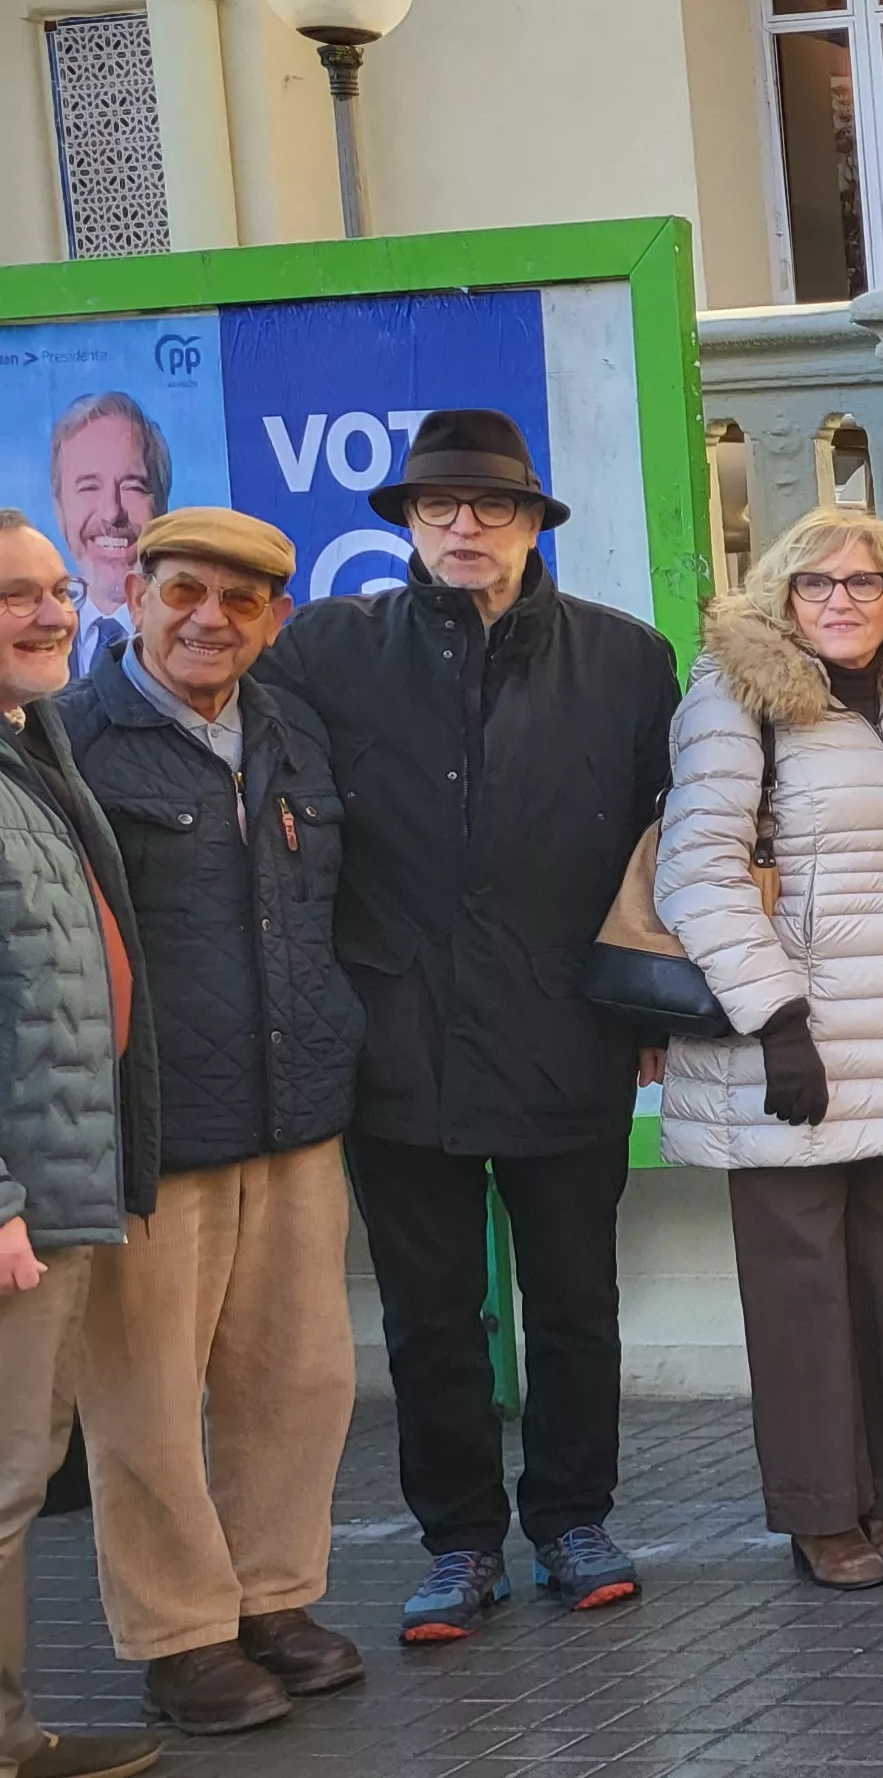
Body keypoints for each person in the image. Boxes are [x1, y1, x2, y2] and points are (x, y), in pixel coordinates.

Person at [258, 410, 677, 1644]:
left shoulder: (625, 658)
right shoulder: (329, 650)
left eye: (490, 507)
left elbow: (669, 845)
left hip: (567, 1026)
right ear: (406, 525)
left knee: (573, 1297)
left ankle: (572, 1521)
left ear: (532, 523)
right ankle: (456, 1543)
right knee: (431, 1312)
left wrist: (653, 996)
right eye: (439, 507)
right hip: (399, 1037)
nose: (464, 528)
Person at [50, 509, 361, 1732]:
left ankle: (273, 1601)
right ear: (133, 590)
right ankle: (182, 1635)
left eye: (241, 604)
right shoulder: (71, 740)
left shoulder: (291, 730)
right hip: (155, 1129)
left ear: (274, 618)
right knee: (145, 1398)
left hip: (295, 1116)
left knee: (297, 1380)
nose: (208, 621)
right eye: (184, 592)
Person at [655, 508, 883, 1590]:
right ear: (780, 598)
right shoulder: (737, 696)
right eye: (816, 583)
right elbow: (698, 869)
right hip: (785, 1053)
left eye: (865, 583)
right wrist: (777, 1021)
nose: (841, 600)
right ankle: (820, 1514)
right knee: (801, 1299)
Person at [0, 509, 167, 1778]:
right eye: (16, 594)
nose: (51, 611)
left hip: (62, 1184)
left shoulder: (32, 744)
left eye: (58, 588)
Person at [47, 394, 164, 680]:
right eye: (89, 487)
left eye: (133, 486)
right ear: (60, 508)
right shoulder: (26, 646)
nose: (112, 513)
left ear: (161, 506)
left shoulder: (194, 640)